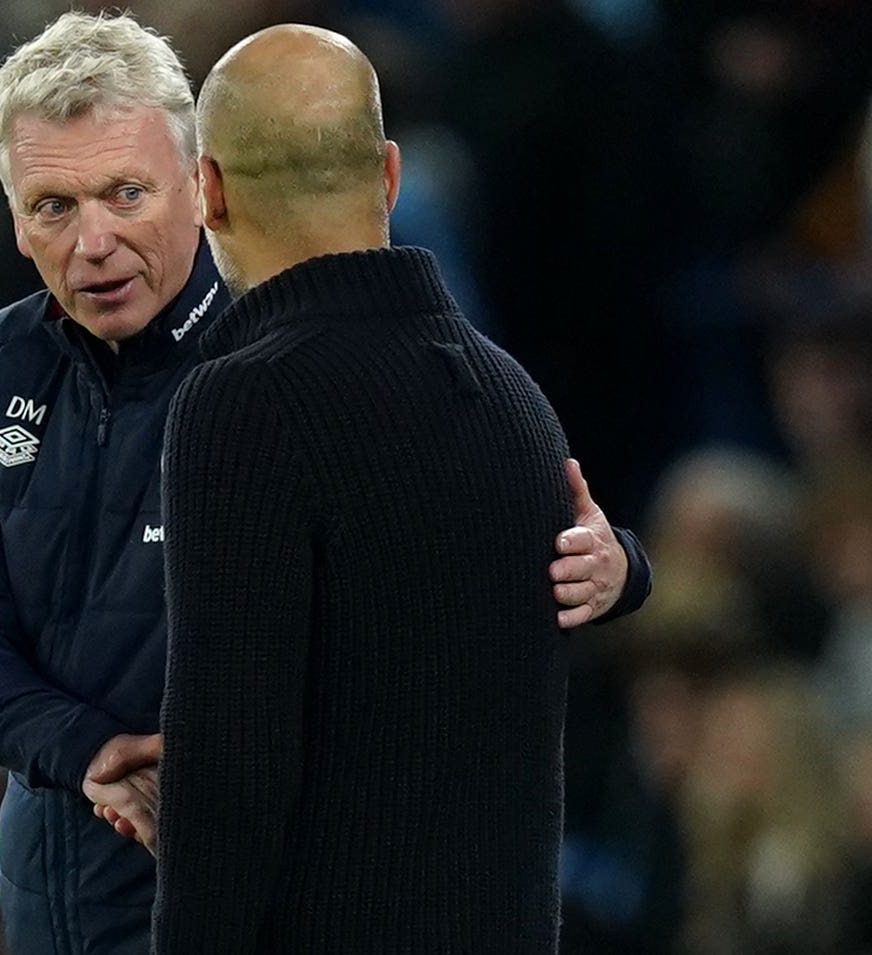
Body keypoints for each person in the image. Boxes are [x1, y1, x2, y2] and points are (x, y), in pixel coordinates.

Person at [0, 12, 651, 955]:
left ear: (199, 185)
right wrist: (88, 751)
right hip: (55, 885)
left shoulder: (288, 370)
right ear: (14, 220)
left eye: (125, 193)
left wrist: (618, 565)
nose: (92, 239)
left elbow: (488, 526)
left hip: (262, 897)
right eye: (53, 205)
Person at [136, 24, 588, 953]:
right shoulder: (514, 399)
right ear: (387, 173)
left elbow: (232, 763)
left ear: (207, 193)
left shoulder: (243, 402)